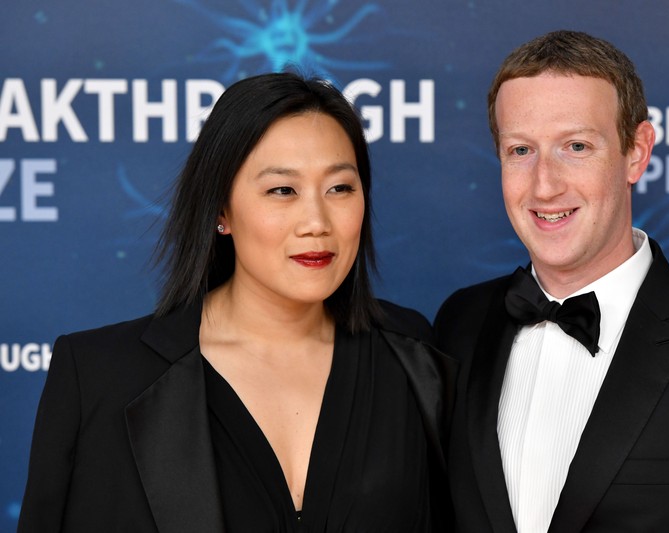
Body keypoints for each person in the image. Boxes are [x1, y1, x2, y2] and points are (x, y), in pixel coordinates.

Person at [18, 72, 456, 533]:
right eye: (282, 190)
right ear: (221, 210)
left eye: (340, 188)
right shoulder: (98, 377)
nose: (316, 222)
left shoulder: (415, 357)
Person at [435, 30, 669, 533]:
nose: (545, 184)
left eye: (576, 146)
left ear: (637, 152)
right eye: (521, 150)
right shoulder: (459, 325)